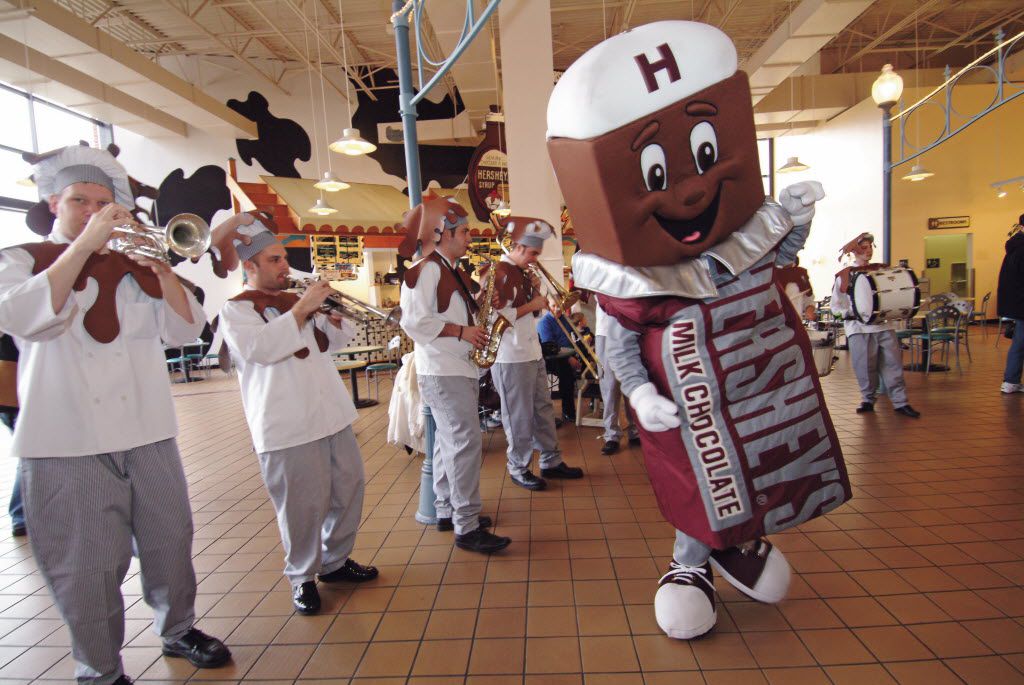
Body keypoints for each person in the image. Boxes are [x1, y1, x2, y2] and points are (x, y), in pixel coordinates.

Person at [547, 21, 853, 640]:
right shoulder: (629, 277)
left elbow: (769, 259)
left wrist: (797, 217)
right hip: (689, 401)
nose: (691, 191)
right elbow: (619, 340)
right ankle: (689, 564)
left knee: (756, 468)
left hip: (754, 384)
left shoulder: (738, 235)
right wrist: (637, 392)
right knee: (706, 478)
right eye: (659, 175)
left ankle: (735, 544)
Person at [0, 145, 231, 683]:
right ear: (55, 203)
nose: (93, 211)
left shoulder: (135, 267)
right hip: (64, 443)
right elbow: (27, 317)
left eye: (105, 203)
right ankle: (100, 669)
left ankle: (179, 629)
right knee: (87, 568)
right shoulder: (22, 258)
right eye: (80, 201)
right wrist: (85, 244)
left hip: (149, 433)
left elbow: (184, 332)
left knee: (170, 541)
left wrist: (161, 270)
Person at [219, 222, 378, 616]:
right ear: (250, 266)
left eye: (284, 258)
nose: (284, 266)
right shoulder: (236, 308)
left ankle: (335, 561)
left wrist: (335, 317)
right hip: (285, 424)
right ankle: (302, 578)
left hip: (331, 413)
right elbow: (260, 349)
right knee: (301, 506)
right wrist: (305, 306)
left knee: (349, 487)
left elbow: (332, 345)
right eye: (275, 260)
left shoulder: (294, 301)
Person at [398, 195, 511, 554]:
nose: (468, 238)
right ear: (441, 232)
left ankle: (448, 509)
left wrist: (480, 303)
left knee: (451, 444)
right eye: (463, 231)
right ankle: (467, 524)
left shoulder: (449, 270)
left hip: (455, 368)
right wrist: (463, 332)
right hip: (443, 371)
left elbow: (451, 314)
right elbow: (414, 322)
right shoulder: (426, 270)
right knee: (464, 444)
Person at [490, 216, 584, 491]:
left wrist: (534, 293)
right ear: (518, 246)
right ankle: (517, 467)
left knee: (543, 410)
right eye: (532, 253)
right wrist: (532, 301)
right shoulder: (497, 273)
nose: (535, 258)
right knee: (518, 416)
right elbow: (492, 318)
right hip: (510, 356)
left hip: (531, 352)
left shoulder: (520, 272)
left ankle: (551, 461)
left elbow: (531, 313)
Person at [831, 233, 921, 417]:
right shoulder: (845, 276)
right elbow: (836, 305)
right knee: (864, 367)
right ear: (855, 251)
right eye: (863, 248)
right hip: (858, 329)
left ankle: (900, 402)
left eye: (870, 247)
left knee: (893, 365)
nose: (868, 251)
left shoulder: (881, 270)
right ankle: (868, 399)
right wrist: (849, 313)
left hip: (884, 326)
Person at [594, 304, 639, 455]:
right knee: (610, 385)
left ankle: (636, 430)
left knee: (632, 380)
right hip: (605, 330)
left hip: (630, 325)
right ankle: (611, 435)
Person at [537, 309, 581, 423]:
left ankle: (595, 399)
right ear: (548, 306)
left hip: (568, 354)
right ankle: (568, 411)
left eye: (559, 305)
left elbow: (573, 336)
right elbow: (550, 346)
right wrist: (569, 358)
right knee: (566, 374)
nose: (557, 308)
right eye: (553, 305)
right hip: (553, 358)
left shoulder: (564, 319)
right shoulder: (544, 322)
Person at [0, 334, 23, 536]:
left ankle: (20, 514)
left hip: (10, 397)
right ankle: (20, 514)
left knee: (27, 454)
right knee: (29, 455)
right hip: (15, 396)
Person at [998, 215, 1024, 394]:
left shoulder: (1014, 247)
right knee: (1020, 343)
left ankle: (1011, 380)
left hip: (1016, 304)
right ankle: (1011, 380)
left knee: (1019, 342)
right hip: (1021, 303)